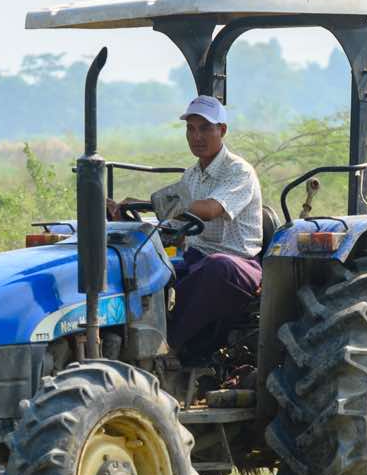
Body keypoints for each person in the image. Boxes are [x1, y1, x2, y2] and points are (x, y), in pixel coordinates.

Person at [109, 95, 263, 363]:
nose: (196, 136)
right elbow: (174, 224)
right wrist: (128, 211)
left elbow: (212, 209)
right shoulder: (191, 175)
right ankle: (123, 343)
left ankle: (168, 346)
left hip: (239, 263)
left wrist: (155, 205)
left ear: (222, 130)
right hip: (196, 259)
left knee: (218, 267)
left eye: (205, 128)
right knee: (141, 270)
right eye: (191, 129)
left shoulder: (238, 171)